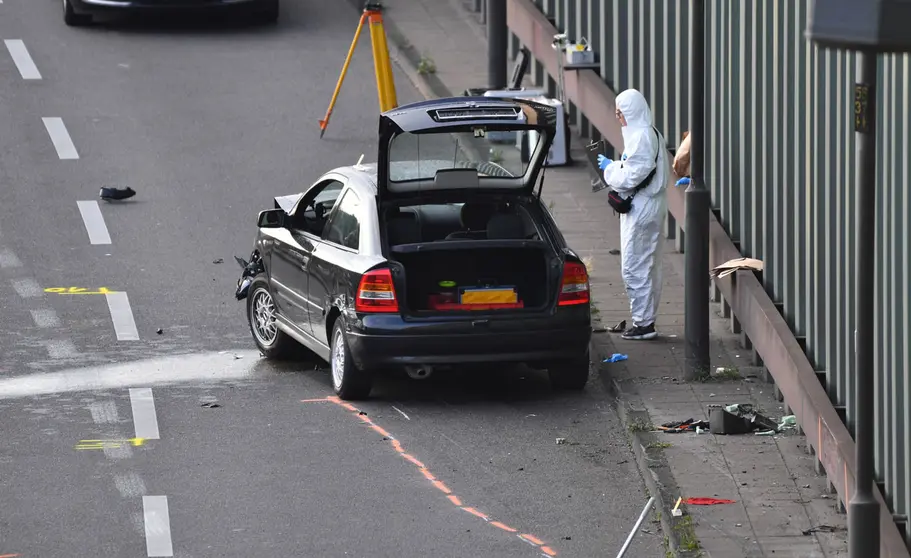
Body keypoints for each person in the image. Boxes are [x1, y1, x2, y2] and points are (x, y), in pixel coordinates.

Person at [595, 89, 668, 340]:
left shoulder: (642, 138)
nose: (619, 117)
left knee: (634, 267)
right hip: (649, 205)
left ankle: (643, 324)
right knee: (648, 265)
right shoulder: (648, 134)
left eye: (621, 112)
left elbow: (630, 176)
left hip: (642, 209)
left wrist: (609, 169)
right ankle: (645, 320)